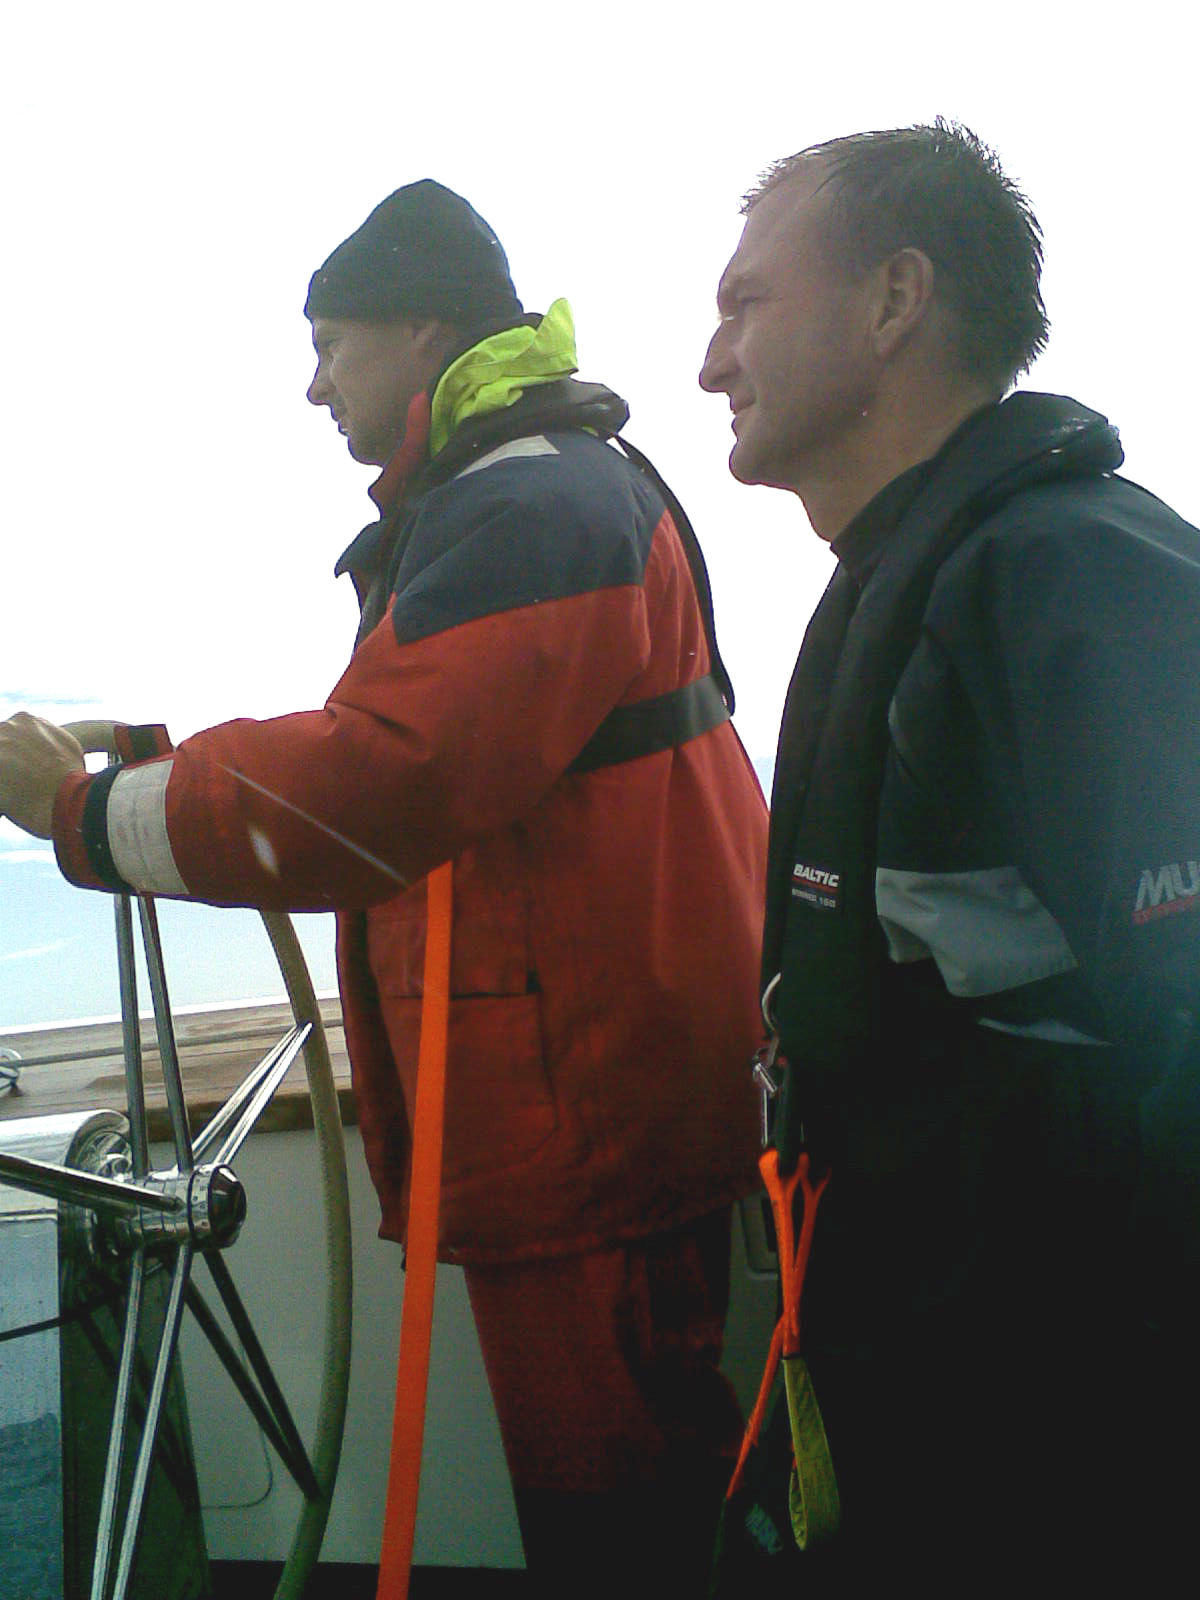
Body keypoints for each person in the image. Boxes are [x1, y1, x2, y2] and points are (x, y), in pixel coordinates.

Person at [0, 180, 767, 1593]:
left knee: (620, 1518)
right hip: (599, 1083)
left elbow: (377, 783)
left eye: (330, 345)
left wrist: (80, 809)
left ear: (422, 335)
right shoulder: (542, 492)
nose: (312, 387)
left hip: (585, 1104)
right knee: (645, 1491)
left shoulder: (537, 500)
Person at [699, 121, 1200, 1587]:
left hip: (1072, 1435)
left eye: (745, 305)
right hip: (915, 1368)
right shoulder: (906, 588)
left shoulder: (1074, 576)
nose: (710, 363)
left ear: (893, 299)